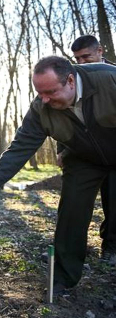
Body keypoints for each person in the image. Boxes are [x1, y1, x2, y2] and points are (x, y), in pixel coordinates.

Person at [0, 56, 116, 294]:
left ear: (70, 81)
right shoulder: (41, 108)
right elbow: (21, 145)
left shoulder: (108, 79)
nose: (44, 99)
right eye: (39, 92)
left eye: (50, 92)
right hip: (83, 158)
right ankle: (63, 278)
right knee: (71, 212)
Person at [70, 35, 116, 265]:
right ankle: (72, 250)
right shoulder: (75, 78)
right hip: (87, 152)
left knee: (113, 200)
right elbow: (69, 113)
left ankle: (111, 247)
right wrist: (62, 148)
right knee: (76, 201)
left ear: (100, 51)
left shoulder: (112, 76)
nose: (81, 63)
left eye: (85, 57)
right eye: (77, 58)